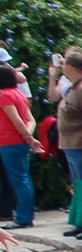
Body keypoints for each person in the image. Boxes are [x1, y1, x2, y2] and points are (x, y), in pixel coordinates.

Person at [55, 49, 82, 238]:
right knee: (77, 185)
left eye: (64, 64)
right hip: (70, 144)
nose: (61, 67)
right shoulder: (75, 86)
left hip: (80, 144)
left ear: (71, 67)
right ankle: (81, 221)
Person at [0, 64, 37, 230]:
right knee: (25, 180)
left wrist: (27, 137)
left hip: (9, 142)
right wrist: (28, 138)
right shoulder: (19, 94)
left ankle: (22, 218)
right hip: (19, 143)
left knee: (19, 181)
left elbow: (16, 121)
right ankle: (27, 216)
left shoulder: (4, 96)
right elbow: (30, 120)